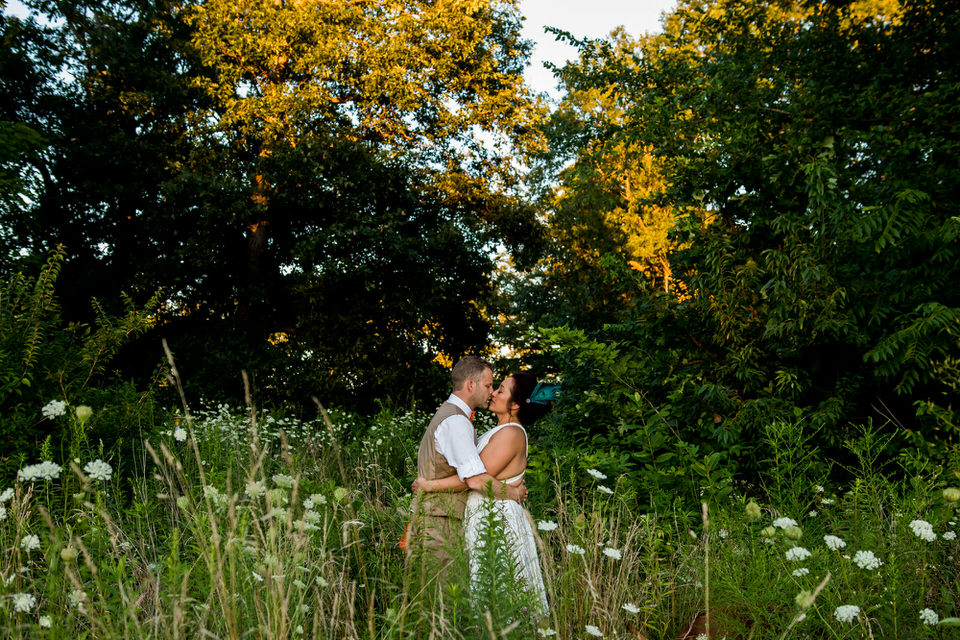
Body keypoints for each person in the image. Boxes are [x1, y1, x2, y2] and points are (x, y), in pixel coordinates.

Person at [413, 371, 549, 614]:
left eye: (501, 390)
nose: (493, 393)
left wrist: (428, 485)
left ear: (515, 404)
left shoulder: (511, 433)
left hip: (497, 521)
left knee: (501, 589)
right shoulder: (500, 431)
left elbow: (474, 479)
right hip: (486, 516)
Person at [407, 356, 526, 570]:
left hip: (437, 518)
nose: (491, 392)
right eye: (489, 385)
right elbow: (476, 479)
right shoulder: (456, 421)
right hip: (439, 521)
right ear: (471, 385)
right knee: (442, 596)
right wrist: (513, 493)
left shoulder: (453, 416)